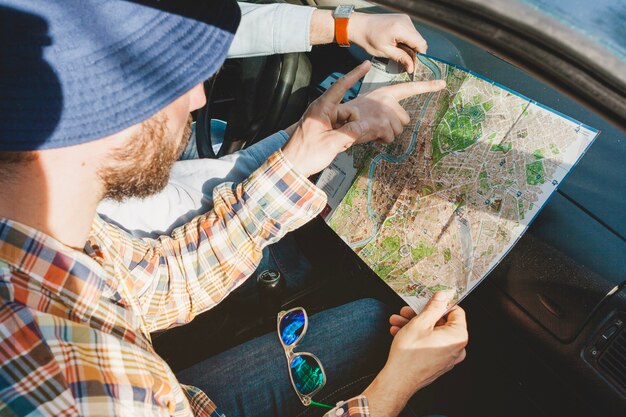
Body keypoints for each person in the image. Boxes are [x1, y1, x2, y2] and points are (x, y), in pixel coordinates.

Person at [0, 1, 468, 417]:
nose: (198, 97)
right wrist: (393, 391)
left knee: (370, 321)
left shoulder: (40, 239)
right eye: (171, 78)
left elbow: (160, 281)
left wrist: (298, 154)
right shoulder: (85, 396)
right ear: (95, 109)